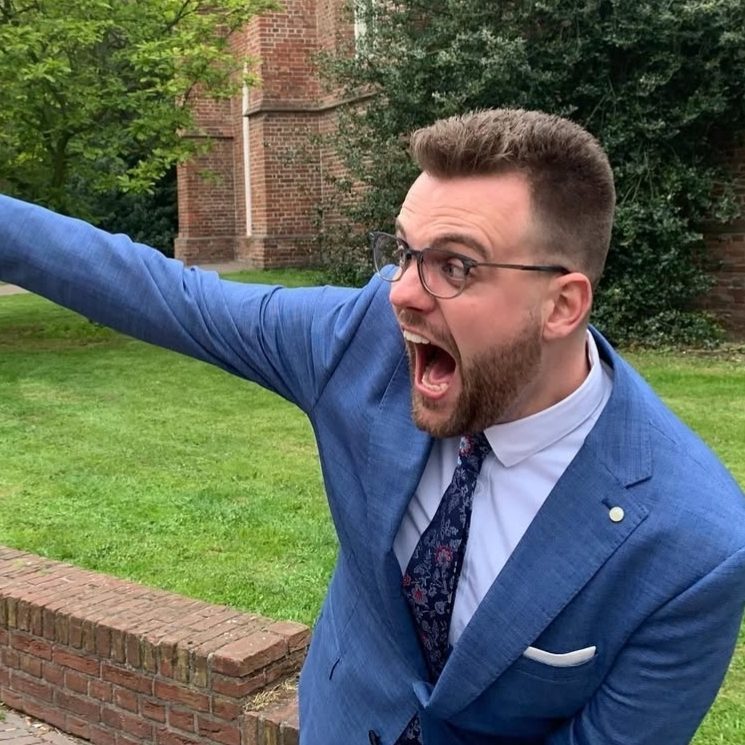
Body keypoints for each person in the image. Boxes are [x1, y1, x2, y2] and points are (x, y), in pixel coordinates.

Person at [1, 108, 744, 745]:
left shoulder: (690, 545)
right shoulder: (361, 342)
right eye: (403, 252)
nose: (402, 295)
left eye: (455, 266)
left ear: (562, 304)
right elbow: (168, 294)